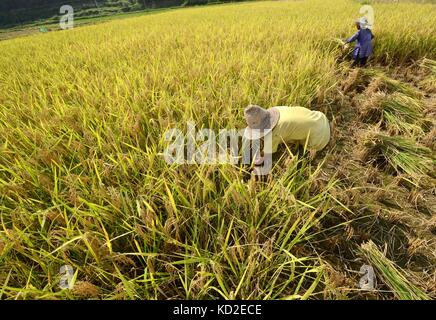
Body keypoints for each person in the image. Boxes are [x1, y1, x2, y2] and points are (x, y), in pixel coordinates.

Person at [243, 105, 331, 174]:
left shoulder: (273, 133)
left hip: (320, 136)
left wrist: (253, 167)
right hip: (320, 117)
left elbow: (267, 156)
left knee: (295, 163)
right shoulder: (276, 110)